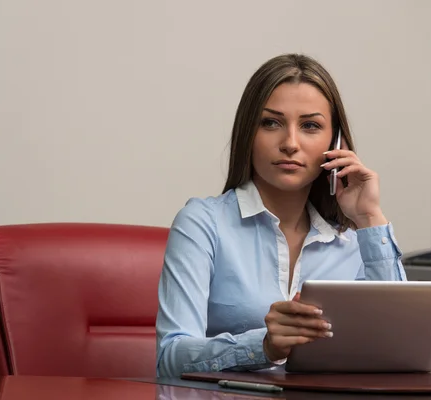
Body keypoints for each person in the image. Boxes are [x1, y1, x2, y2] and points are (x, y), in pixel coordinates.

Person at [155, 53, 407, 378]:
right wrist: (263, 346)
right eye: (271, 123)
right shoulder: (202, 223)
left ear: (336, 142)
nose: (290, 143)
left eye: (310, 126)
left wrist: (369, 216)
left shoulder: (354, 239)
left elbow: (398, 346)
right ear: (249, 134)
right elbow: (169, 356)